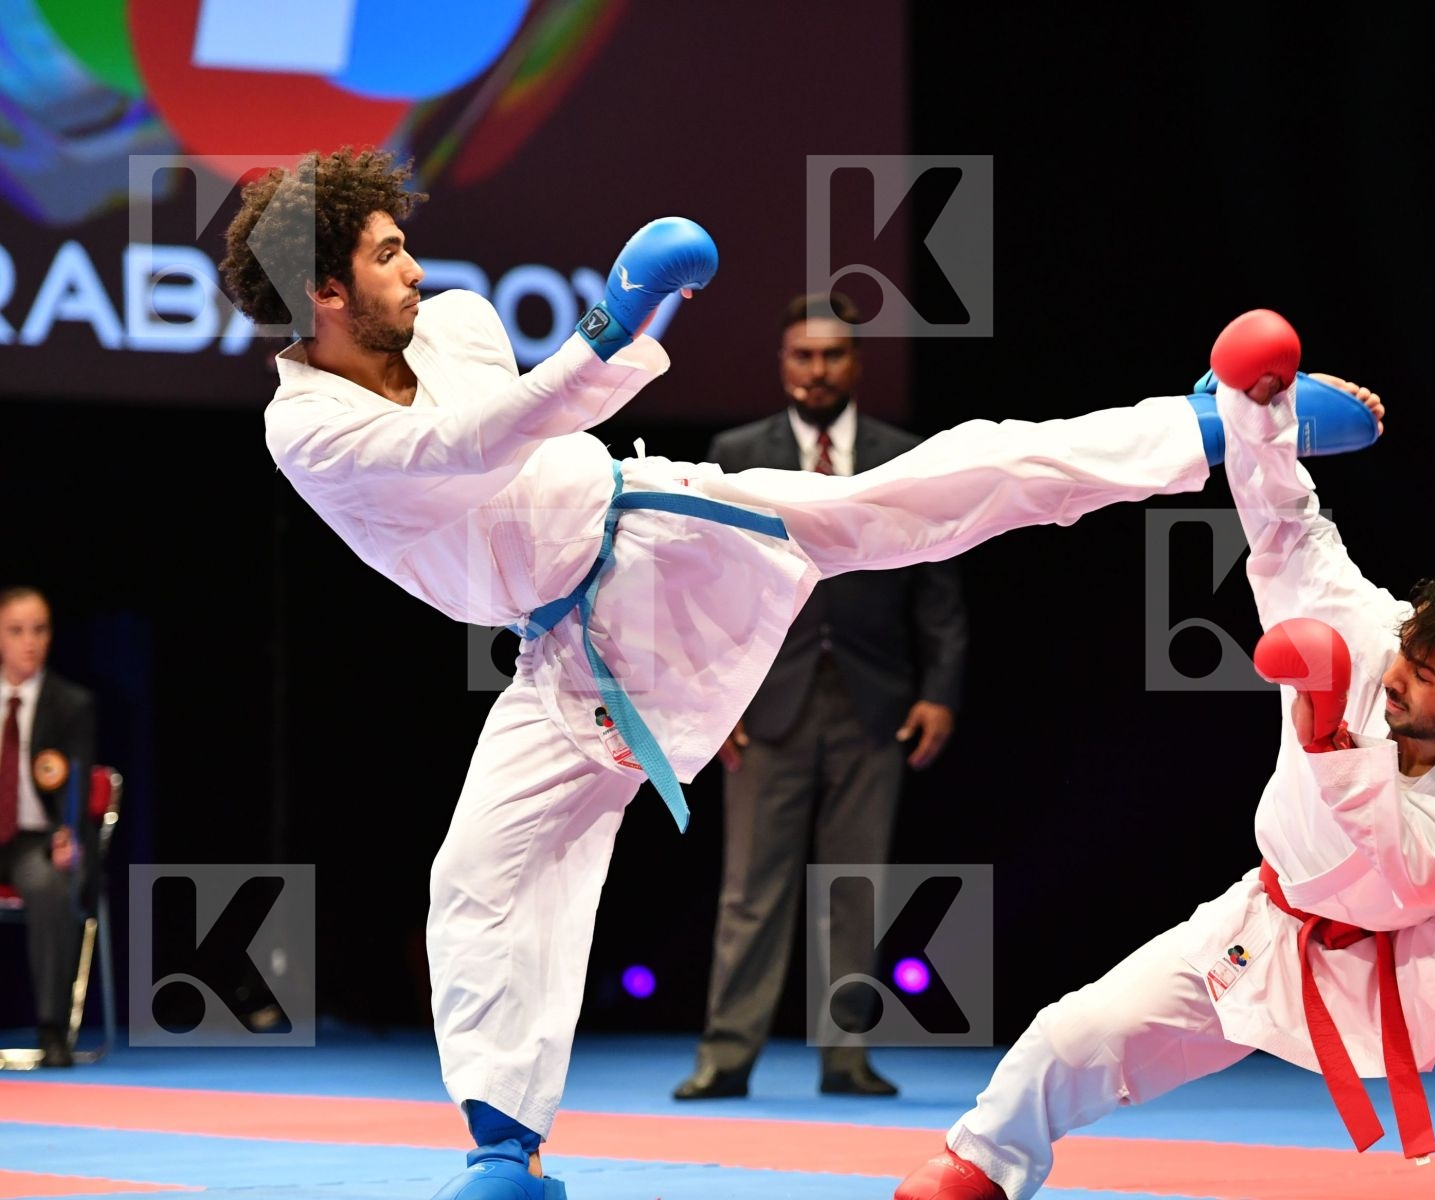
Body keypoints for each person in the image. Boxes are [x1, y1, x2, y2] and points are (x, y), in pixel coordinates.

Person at [222, 149, 1375, 1197]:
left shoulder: (459, 321)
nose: (416, 270)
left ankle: (1220, 428)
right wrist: (611, 324)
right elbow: (468, 451)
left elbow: (527, 427)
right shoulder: (308, 431)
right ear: (324, 294)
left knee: (923, 492)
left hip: (660, 538)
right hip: (572, 660)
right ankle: (503, 1152)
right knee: (480, 874)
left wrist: (609, 337)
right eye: (385, 254)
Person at [895, 310, 1435, 1200]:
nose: (1391, 675)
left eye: (1420, 677)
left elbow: (1404, 874)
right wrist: (1259, 412)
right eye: (1401, 652)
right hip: (1273, 925)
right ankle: (980, 1163)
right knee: (1075, 1032)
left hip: (1429, 951)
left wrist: (1325, 734)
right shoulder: (1369, 631)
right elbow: (1285, 521)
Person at [673, 293, 968, 1101]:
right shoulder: (737, 454)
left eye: (832, 355)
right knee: (750, 892)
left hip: (876, 700)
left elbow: (938, 582)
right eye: (802, 356)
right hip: (766, 700)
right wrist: (710, 699)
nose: (816, 370)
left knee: (855, 888)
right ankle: (725, 1056)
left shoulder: (902, 454)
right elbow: (704, 585)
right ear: (783, 364)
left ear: (856, 362)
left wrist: (940, 690)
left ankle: (846, 1057)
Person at [0, 586, 97, 1069]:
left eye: (39, 630)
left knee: (52, 885)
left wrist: (68, 835)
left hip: (33, 839)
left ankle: (52, 1028)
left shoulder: (70, 704)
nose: (29, 641)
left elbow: (75, 783)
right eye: (16, 631)